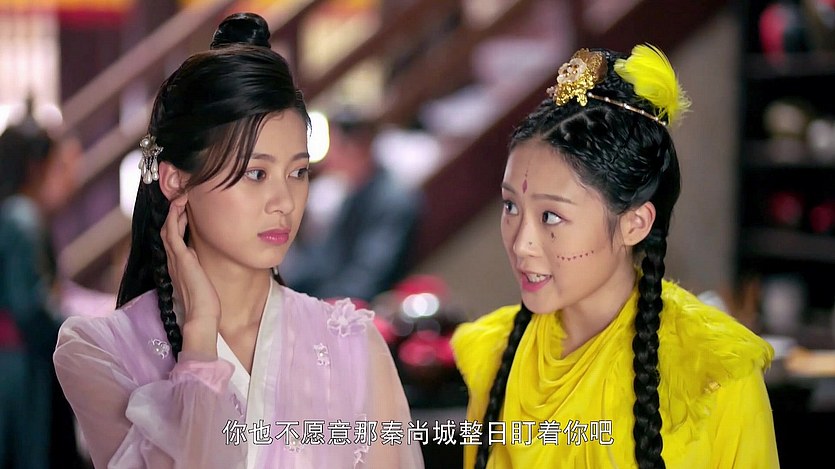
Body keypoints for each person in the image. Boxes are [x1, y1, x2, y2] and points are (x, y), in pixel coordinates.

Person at [53, 12, 423, 469]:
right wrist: (200, 334)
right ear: (175, 180)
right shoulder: (99, 350)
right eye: (256, 173)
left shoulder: (355, 345)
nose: (284, 202)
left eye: (298, 172)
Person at [450, 45, 779, 468]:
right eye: (511, 206)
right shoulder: (496, 352)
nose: (521, 244)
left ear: (635, 223)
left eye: (551, 216)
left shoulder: (714, 370)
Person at [0, 105, 83, 469]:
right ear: (36, 167)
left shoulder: (14, 213)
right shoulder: (22, 217)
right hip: (20, 367)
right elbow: (31, 307)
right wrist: (78, 331)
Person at [281, 109, 422, 304]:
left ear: (356, 145)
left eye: (333, 145)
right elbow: (322, 260)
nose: (328, 157)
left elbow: (367, 278)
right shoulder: (351, 195)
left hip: (375, 308)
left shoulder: (393, 201)